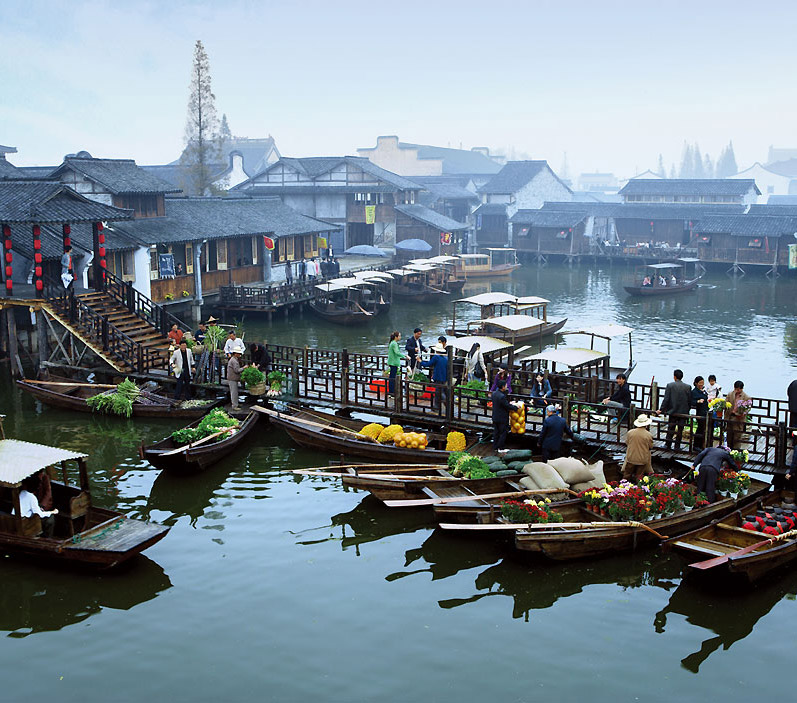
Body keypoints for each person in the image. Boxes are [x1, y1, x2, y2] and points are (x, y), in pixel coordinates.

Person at [656, 369, 691, 450]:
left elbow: (666, 399)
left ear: (675, 377)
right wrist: (687, 410)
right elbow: (689, 400)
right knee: (680, 430)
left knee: (671, 428)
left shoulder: (670, 385)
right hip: (683, 412)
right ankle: (677, 446)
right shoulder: (687, 387)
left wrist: (661, 410)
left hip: (673, 411)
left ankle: (668, 444)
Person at [623, 414, 654, 481]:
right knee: (639, 476)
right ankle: (638, 488)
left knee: (627, 474)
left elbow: (627, 443)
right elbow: (650, 447)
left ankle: (623, 486)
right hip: (642, 459)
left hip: (631, 458)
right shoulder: (648, 435)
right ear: (646, 424)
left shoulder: (630, 432)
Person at [421, 343, 449, 411]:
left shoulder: (436, 357)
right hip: (444, 377)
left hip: (438, 376)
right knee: (440, 391)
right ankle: (437, 406)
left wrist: (420, 361)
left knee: (438, 392)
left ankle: (443, 404)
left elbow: (428, 364)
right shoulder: (446, 358)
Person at [725, 380, 751, 449]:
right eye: (735, 389)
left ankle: (735, 453)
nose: (737, 390)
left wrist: (742, 413)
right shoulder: (730, 394)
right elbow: (726, 403)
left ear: (742, 389)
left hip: (738, 419)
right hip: (730, 417)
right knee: (729, 437)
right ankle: (728, 451)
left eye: (738, 389)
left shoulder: (746, 397)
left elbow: (747, 409)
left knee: (737, 438)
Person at [491, 378, 512, 451]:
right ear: (503, 387)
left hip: (495, 416)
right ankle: (501, 447)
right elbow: (507, 406)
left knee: (496, 432)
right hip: (502, 418)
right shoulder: (502, 396)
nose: (506, 386)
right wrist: (515, 407)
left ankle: (495, 447)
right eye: (506, 385)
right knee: (503, 433)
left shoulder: (494, 393)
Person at [691, 375, 709, 450]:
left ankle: (702, 444)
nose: (701, 384)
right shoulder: (694, 392)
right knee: (700, 429)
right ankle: (696, 445)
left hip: (706, 411)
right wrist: (698, 401)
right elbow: (691, 402)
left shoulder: (703, 391)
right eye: (700, 383)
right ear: (696, 383)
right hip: (700, 413)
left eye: (702, 383)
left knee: (704, 429)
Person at [227, 342, 244, 410]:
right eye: (239, 353)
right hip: (232, 378)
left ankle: (236, 403)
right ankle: (234, 406)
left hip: (233, 378)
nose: (240, 355)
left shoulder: (234, 359)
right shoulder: (233, 361)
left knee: (235, 392)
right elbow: (237, 370)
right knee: (234, 393)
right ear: (235, 353)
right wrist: (244, 368)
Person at [388, 331, 406, 395]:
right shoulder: (394, 343)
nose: (400, 337)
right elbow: (397, 352)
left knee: (392, 377)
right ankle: (391, 392)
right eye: (399, 336)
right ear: (396, 337)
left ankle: (391, 392)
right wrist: (404, 356)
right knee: (392, 378)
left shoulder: (392, 343)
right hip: (393, 362)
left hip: (392, 362)